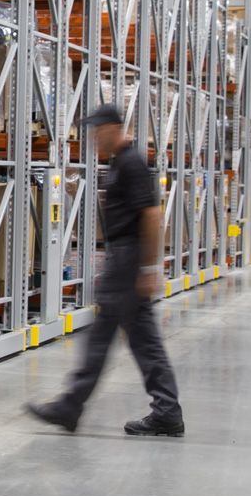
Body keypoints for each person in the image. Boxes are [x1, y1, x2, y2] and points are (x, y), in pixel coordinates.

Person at [27, 102, 184, 437]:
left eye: (98, 131)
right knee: (141, 340)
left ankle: (72, 406)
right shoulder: (120, 163)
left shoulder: (131, 164)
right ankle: (166, 410)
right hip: (123, 259)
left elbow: (152, 216)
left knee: (105, 339)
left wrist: (148, 268)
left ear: (114, 128)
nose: (94, 138)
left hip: (128, 261)